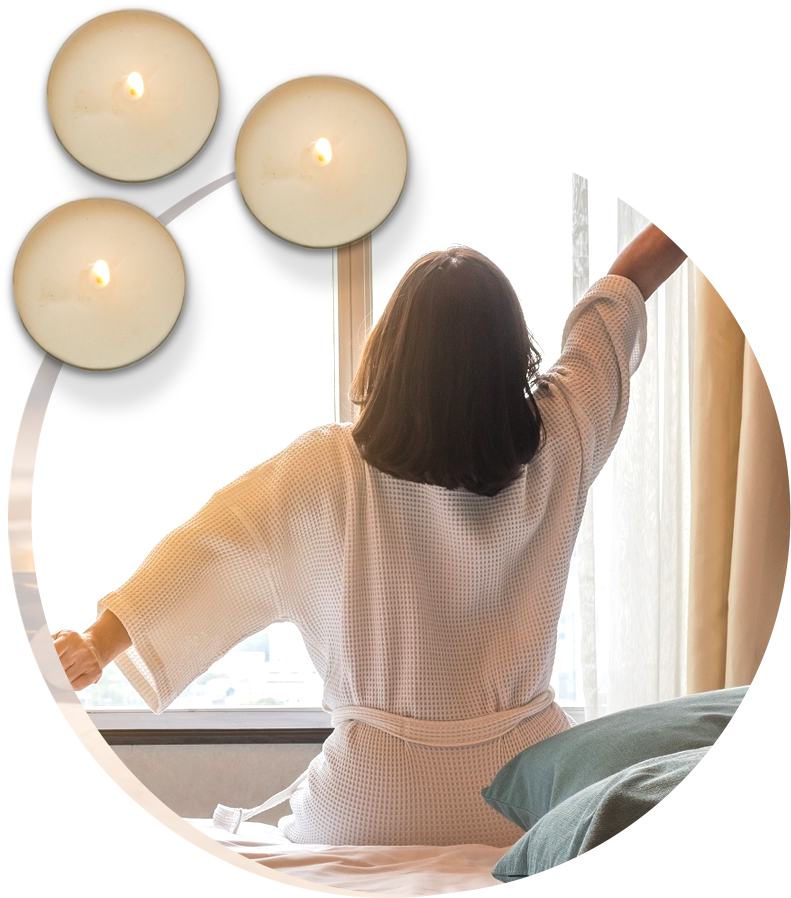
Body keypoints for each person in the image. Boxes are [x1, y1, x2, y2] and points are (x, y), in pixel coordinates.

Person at [54, 223, 687, 847]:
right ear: (512, 354)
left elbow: (213, 546)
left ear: (391, 351)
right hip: (527, 795)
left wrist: (99, 642)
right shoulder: (562, 437)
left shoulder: (326, 465)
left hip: (370, 800)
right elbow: (624, 287)